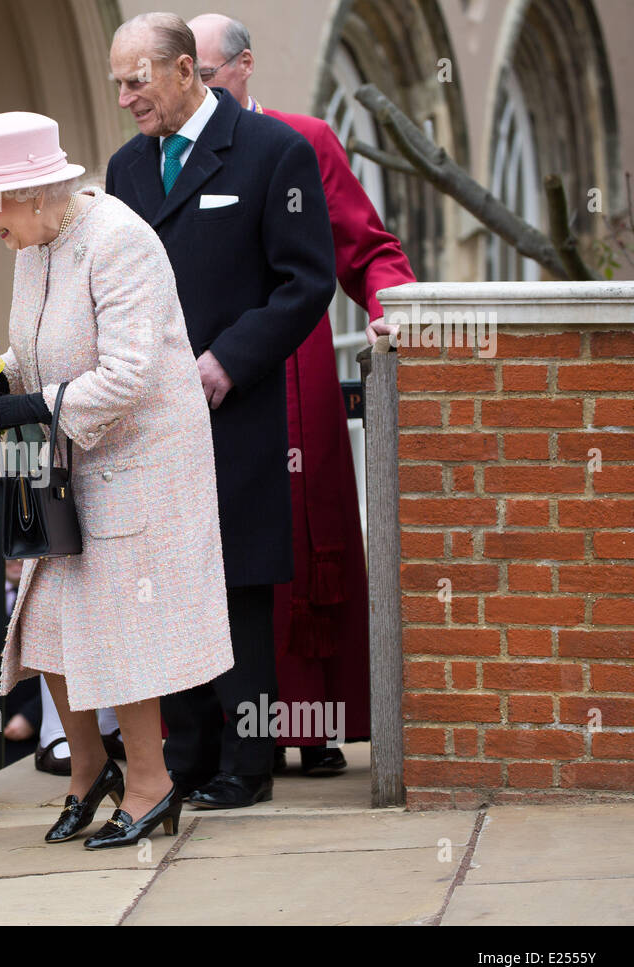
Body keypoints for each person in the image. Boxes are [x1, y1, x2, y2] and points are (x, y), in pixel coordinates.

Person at [0, 110, 234, 849]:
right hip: (68, 460)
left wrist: (29, 407)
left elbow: (129, 375)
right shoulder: (36, 241)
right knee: (50, 618)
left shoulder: (121, 241)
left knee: (122, 627)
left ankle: (154, 784)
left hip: (139, 462)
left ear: (35, 189)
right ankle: (89, 767)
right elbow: (39, 353)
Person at [105, 13, 336, 809]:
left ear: (183, 71)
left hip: (232, 411)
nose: (128, 98)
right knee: (167, 584)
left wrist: (229, 360)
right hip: (148, 420)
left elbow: (306, 282)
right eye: (118, 84)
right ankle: (190, 759)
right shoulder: (126, 169)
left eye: (138, 81)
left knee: (237, 587)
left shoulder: (275, 152)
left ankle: (247, 763)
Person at [190, 13, 417, 775]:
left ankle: (308, 723)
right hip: (196, 382)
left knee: (291, 548)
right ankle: (226, 736)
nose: (195, 92)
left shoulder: (304, 141)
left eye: (209, 76)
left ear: (244, 68)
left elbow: (367, 250)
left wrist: (397, 315)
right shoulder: (161, 157)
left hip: (287, 370)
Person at [0, 555, 40, 771]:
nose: (17, 560)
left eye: (23, 553)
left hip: (35, 731)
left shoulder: (46, 592)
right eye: (9, 553)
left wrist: (32, 716)